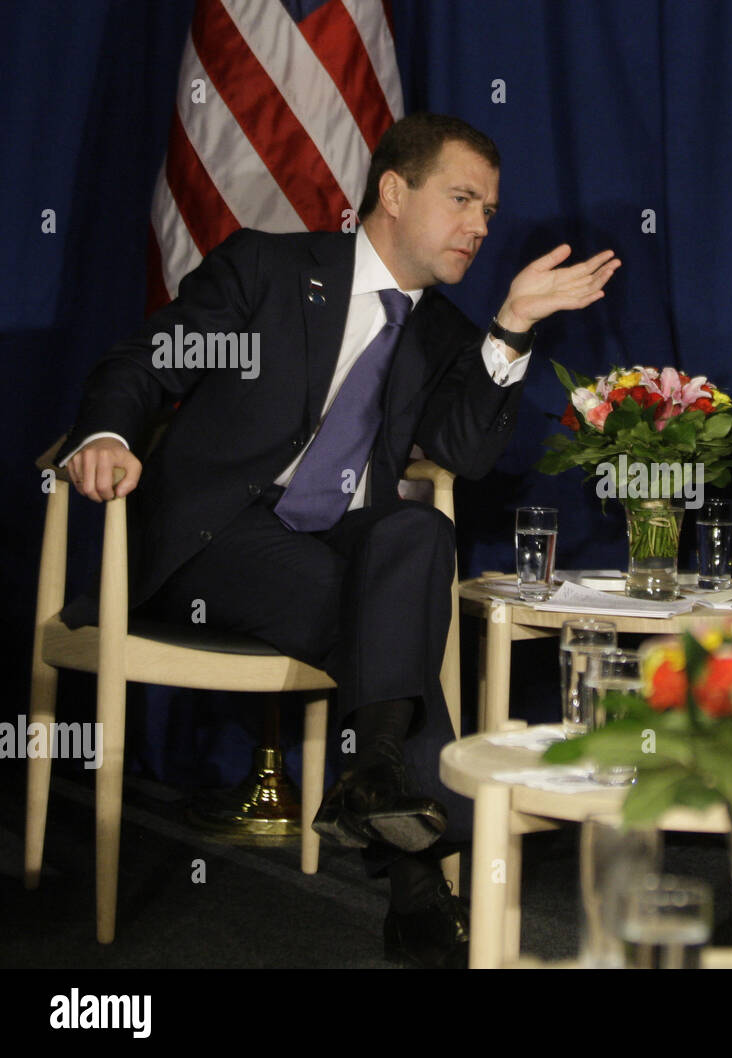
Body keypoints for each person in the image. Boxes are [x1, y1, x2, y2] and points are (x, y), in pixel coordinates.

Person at [59, 113, 620, 966]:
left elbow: (465, 452)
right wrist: (106, 437)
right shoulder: (270, 269)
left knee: (418, 533)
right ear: (393, 192)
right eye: (462, 199)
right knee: (386, 620)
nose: (479, 224)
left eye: (490, 212)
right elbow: (144, 360)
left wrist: (511, 327)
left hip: (335, 542)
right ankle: (413, 876)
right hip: (216, 540)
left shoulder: (440, 332)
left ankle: (373, 775)